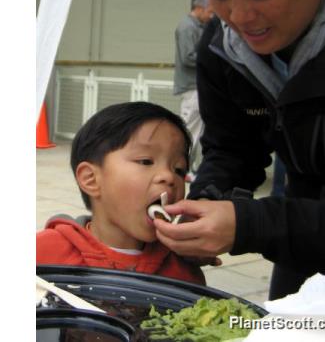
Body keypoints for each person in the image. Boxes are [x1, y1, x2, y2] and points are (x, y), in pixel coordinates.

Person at [154, 0, 325, 299]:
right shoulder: (223, 46)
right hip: (303, 252)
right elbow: (232, 148)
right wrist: (208, 198)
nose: (241, 18)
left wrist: (250, 224)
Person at [36, 101, 205, 285]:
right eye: (146, 161)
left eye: (179, 170)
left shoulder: (183, 271)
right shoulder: (43, 252)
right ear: (91, 179)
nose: (169, 176)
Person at [173, 0, 214, 179]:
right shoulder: (187, 27)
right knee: (189, 131)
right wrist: (212, 59)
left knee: (196, 131)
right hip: (192, 87)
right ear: (199, 8)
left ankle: (188, 168)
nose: (212, 16)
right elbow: (188, 57)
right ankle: (182, 169)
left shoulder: (197, 26)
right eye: (210, 11)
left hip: (197, 86)